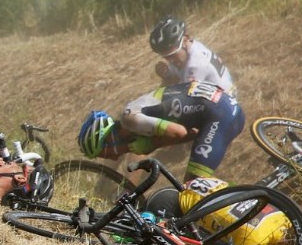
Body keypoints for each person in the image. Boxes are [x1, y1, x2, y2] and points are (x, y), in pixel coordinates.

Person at [78, 77, 246, 182]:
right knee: (196, 187)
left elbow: (179, 132)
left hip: (219, 114)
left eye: (106, 154)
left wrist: (152, 144)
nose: (115, 157)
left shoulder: (130, 119)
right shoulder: (133, 116)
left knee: (192, 186)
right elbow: (191, 134)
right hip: (222, 109)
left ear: (108, 140)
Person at [149, 15, 236, 95]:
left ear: (185, 40)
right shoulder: (186, 50)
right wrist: (166, 75)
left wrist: (167, 80)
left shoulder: (196, 65)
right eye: (166, 57)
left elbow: (182, 97)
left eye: (172, 55)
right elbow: (174, 80)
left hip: (222, 104)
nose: (170, 60)